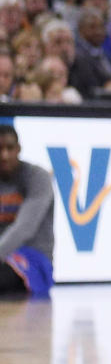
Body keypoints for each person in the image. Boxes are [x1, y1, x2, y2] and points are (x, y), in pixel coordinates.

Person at [0, 123, 55, 298]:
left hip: (34, 257)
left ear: (19, 149)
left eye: (9, 148)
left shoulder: (37, 177)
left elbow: (25, 228)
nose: (4, 155)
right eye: (0, 149)